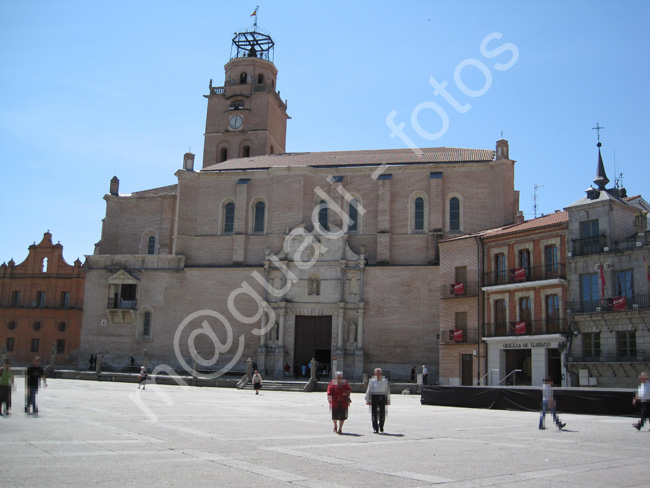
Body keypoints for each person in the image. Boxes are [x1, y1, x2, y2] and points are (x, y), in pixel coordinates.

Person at [365, 368, 390, 433]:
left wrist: (388, 399)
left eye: (379, 373)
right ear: (375, 374)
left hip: (382, 396)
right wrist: (367, 399)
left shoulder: (385, 381)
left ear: (381, 374)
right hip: (374, 397)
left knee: (382, 413)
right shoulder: (372, 381)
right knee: (374, 414)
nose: (378, 374)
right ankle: (375, 428)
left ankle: (381, 426)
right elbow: (369, 390)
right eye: (376, 373)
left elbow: (387, 390)